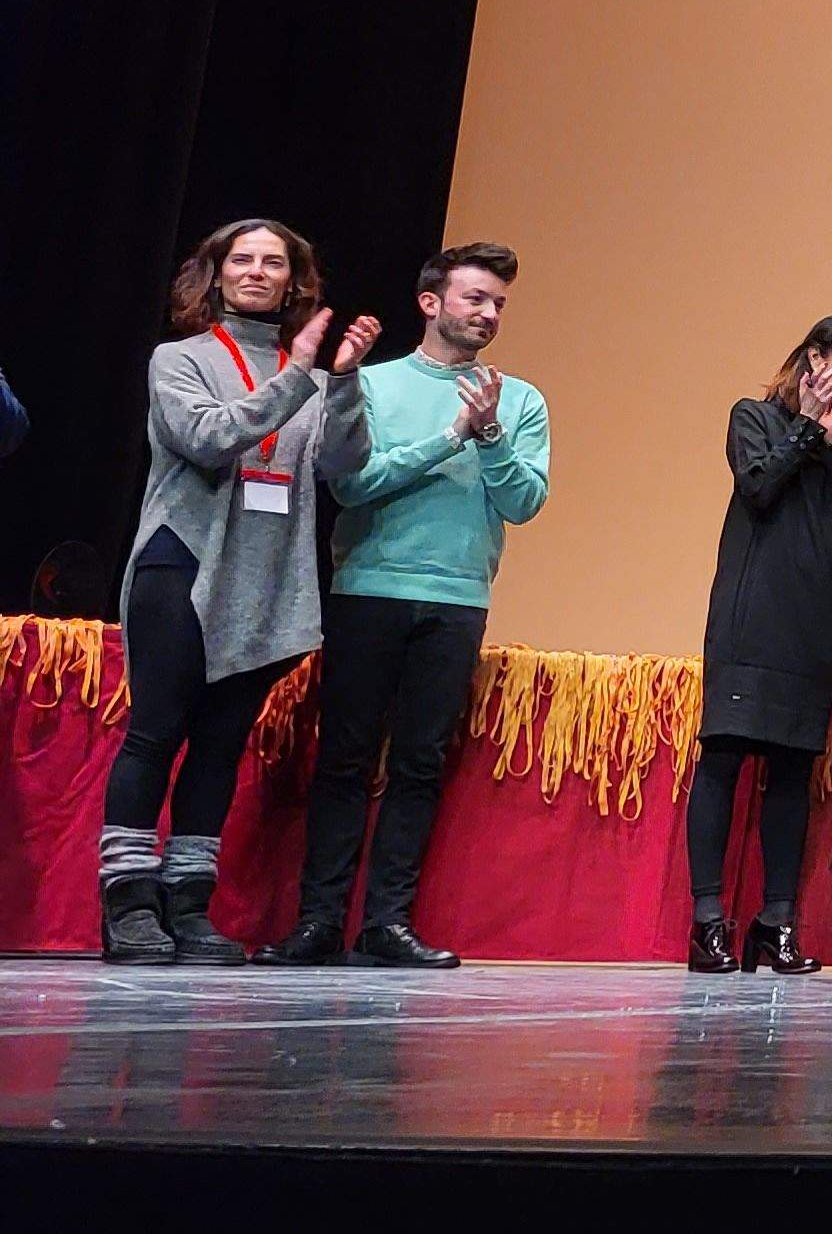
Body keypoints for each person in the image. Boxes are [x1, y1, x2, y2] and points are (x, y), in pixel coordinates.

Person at [269, 242, 552, 970]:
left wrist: (487, 433)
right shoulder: (373, 382)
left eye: (498, 304)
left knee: (420, 766)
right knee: (344, 760)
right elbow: (353, 486)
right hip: (368, 589)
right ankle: (319, 921)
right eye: (474, 298)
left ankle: (387, 923)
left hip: (457, 600)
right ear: (431, 303)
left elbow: (524, 502)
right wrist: (448, 436)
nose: (488, 314)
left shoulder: (518, 400)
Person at [104, 220, 378, 964]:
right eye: (243, 260)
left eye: (274, 263)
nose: (257, 271)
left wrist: (344, 380)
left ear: (295, 282)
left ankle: (188, 905)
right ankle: (128, 904)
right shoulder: (181, 359)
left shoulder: (313, 373)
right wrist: (300, 376)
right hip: (185, 566)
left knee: (221, 745)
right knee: (157, 732)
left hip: (268, 579)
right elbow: (209, 437)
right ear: (217, 274)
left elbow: (345, 465)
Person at [684, 314, 832, 975]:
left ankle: (777, 921)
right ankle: (707, 920)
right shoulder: (756, 417)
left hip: (816, 624)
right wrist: (808, 429)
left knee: (793, 771)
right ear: (814, 358)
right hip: (751, 617)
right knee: (725, 757)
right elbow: (759, 486)